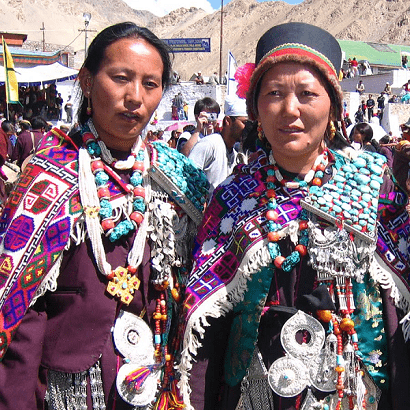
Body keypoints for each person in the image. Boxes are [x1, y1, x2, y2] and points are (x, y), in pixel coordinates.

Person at [177, 22, 410, 410]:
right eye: (274, 94)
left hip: (352, 388)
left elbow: (395, 307)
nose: (290, 110)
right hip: (253, 392)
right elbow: (208, 330)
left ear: (333, 105)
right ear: (255, 108)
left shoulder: (375, 187)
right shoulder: (232, 198)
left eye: (306, 94)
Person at [0, 22, 209, 409]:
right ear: (86, 81)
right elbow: (20, 313)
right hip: (67, 389)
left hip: (158, 382)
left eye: (151, 83)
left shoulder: (181, 179)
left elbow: (204, 293)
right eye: (120, 78)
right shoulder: (49, 176)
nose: (135, 97)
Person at [188, 95, 249, 198]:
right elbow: (188, 175)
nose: (247, 128)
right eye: (244, 123)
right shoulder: (210, 144)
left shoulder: (234, 155)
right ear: (228, 121)